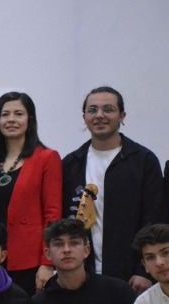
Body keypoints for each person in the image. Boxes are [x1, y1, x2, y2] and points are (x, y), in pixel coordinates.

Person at [63, 86, 166, 293]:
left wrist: (144, 271)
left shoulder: (144, 161)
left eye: (108, 109)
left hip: (131, 277)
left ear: (122, 116)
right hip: (83, 275)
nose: (99, 115)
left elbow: (155, 218)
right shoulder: (71, 163)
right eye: (92, 110)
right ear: (84, 117)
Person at [0, 92, 62, 296]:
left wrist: (47, 263)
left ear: (29, 119)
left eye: (18, 114)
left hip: (29, 260)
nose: (11, 119)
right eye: (5, 114)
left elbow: (53, 215)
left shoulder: (47, 158)